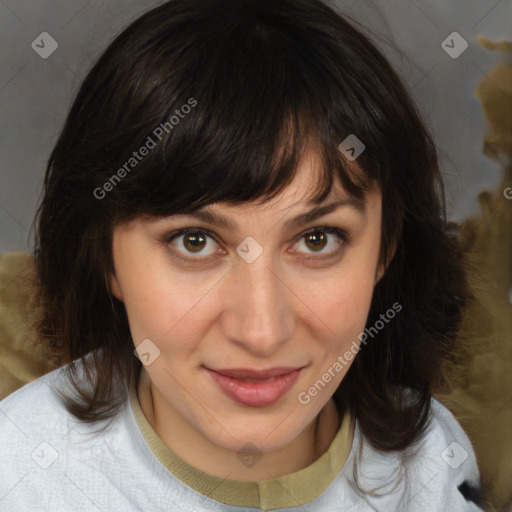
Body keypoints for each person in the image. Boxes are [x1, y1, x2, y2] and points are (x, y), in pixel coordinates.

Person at [0, 0, 486, 510]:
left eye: (318, 239)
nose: (261, 332)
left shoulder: (433, 466)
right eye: (194, 241)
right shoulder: (21, 474)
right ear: (104, 258)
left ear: (386, 248)